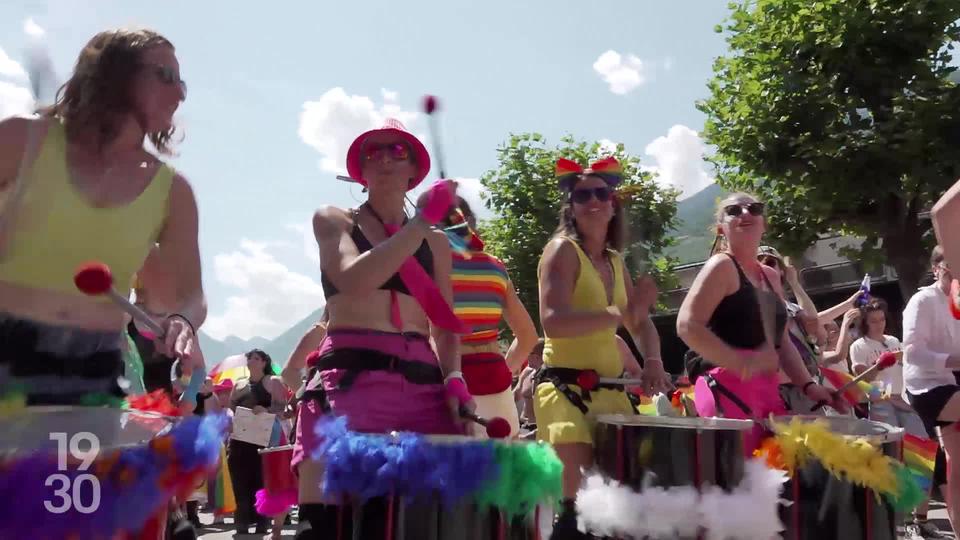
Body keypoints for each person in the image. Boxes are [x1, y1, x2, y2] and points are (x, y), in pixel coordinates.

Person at [0, 28, 205, 405]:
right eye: (166, 76)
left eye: (183, 83)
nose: (179, 94)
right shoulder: (17, 141)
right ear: (114, 73)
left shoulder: (174, 193)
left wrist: (183, 321)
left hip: (95, 377)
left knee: (71, 466)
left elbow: (192, 296)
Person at [292, 119, 475, 538]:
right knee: (329, 527)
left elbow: (445, 325)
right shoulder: (334, 219)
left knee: (427, 524)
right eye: (375, 152)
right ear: (361, 169)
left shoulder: (437, 243)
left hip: (424, 389)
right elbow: (352, 279)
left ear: (414, 169)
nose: (386, 158)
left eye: (398, 151)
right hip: (349, 384)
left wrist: (455, 380)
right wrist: (418, 225)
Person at [534, 157, 669, 539]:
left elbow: (639, 324)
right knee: (578, 510)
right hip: (566, 392)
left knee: (619, 508)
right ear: (571, 207)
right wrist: (618, 312)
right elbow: (553, 322)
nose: (592, 200)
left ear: (613, 204)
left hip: (610, 393)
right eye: (582, 195)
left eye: (601, 193)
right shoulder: (560, 250)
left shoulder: (614, 259)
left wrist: (654, 359)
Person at [677, 193, 845, 454]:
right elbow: (687, 325)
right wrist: (741, 363)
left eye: (754, 208)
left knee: (775, 478)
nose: (745, 213)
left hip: (766, 389)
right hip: (724, 386)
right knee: (740, 481)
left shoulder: (769, 276)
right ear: (722, 229)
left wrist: (809, 386)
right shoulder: (721, 266)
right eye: (734, 210)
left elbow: (782, 340)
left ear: (763, 223)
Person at [424, 194, 539, 438]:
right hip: (497, 386)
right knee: (503, 471)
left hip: (446, 386)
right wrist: (506, 369)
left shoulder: (426, 268)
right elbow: (528, 336)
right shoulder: (495, 267)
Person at [903, 245, 960, 535]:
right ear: (936, 268)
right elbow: (912, 352)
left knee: (956, 464)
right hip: (927, 387)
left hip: (955, 383)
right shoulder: (922, 301)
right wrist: (952, 360)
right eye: (948, 265)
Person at [227, 349, 287, 535]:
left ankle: (262, 522)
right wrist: (231, 418)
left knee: (261, 481)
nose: (251, 361)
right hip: (239, 439)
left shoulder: (273, 381)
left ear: (264, 362)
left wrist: (266, 410)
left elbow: (282, 409)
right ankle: (241, 522)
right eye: (249, 358)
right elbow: (230, 408)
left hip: (264, 439)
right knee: (239, 480)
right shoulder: (238, 385)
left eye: (256, 358)